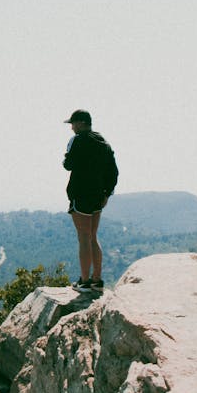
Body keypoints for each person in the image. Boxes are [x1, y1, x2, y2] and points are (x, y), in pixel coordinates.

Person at [63, 110, 118, 292]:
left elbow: (67, 165)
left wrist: (68, 154)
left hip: (81, 194)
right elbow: (113, 172)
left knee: (83, 238)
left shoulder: (78, 140)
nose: (71, 127)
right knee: (93, 236)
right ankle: (97, 280)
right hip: (97, 196)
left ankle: (84, 281)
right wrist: (106, 194)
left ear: (81, 123)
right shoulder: (104, 143)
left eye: (73, 123)